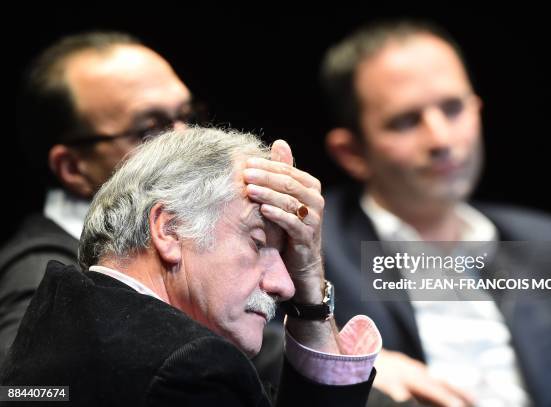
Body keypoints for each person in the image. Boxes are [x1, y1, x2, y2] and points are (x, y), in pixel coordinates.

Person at [320, 19, 551, 407]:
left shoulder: (542, 236)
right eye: (406, 121)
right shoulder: (317, 244)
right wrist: (348, 363)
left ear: (477, 112)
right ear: (352, 153)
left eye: (453, 109)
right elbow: (245, 341)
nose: (440, 140)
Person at [1, 127, 382, 406]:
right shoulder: (193, 367)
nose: (285, 285)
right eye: (259, 243)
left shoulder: (56, 308)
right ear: (169, 229)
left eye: (287, 259)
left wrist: (311, 295)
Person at [0, 31, 202, 363]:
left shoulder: (188, 237)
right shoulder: (40, 279)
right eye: (150, 131)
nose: (190, 142)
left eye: (188, 116)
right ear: (73, 168)